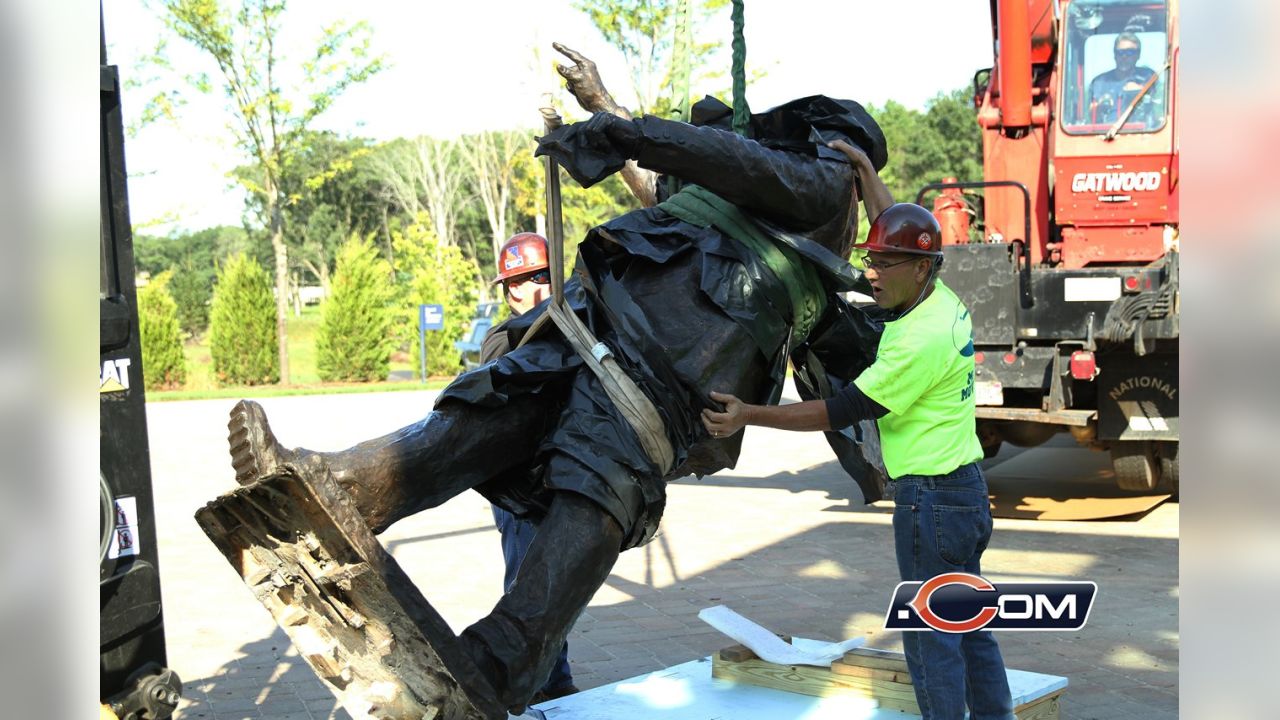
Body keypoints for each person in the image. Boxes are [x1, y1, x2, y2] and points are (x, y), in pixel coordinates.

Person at [225, 77, 895, 714]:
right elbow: (670, 178)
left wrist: (620, 130)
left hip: (662, 374)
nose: (778, 136)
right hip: (592, 328)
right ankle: (343, 484)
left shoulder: (824, 184)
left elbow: (721, 155)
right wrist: (606, 113)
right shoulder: (744, 196)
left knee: (595, 489)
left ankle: (496, 663)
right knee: (494, 406)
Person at [701, 203, 1015, 720]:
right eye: (870, 260)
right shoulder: (942, 300)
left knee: (930, 639)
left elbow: (842, 409)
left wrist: (749, 415)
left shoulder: (918, 340)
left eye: (883, 264)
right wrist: (867, 172)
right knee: (969, 626)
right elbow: (902, 223)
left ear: (920, 268)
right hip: (965, 495)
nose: (870, 273)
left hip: (931, 503)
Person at [484, 231, 577, 702]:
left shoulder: (568, 326)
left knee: (555, 584)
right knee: (526, 585)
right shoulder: (501, 340)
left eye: (544, 275)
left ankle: (554, 679)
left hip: (556, 480)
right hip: (518, 492)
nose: (537, 286)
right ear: (510, 288)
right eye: (526, 279)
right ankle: (532, 681)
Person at [1088, 32, 1157, 124]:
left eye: (1130, 52)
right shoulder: (1099, 82)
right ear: (1115, 55)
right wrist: (1097, 108)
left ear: (1138, 55)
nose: (1124, 56)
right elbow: (1091, 116)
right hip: (1106, 133)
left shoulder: (1148, 77)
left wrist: (1140, 91)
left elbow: (1158, 105)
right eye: (1120, 52)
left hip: (1142, 133)